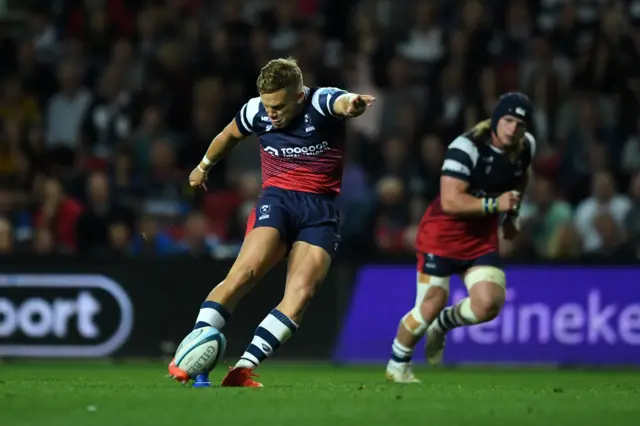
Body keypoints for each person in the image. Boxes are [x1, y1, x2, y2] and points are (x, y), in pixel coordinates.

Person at [168, 58, 375, 387]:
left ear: (298, 96)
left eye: (278, 105)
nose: (271, 113)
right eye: (267, 105)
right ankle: (194, 354)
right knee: (243, 274)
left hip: (320, 211)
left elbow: (341, 102)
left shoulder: (320, 101)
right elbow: (228, 135)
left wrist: (352, 104)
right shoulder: (256, 110)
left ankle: (243, 368)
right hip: (277, 201)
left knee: (302, 292)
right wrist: (204, 165)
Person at [385, 93, 535, 383]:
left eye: (520, 124)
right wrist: (497, 205)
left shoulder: (525, 147)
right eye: (507, 121)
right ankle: (397, 364)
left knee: (488, 304)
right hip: (442, 235)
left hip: (480, 238)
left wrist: (512, 217)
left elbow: (521, 176)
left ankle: (443, 324)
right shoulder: (466, 147)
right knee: (429, 304)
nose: (513, 129)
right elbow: (452, 201)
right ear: (495, 120)